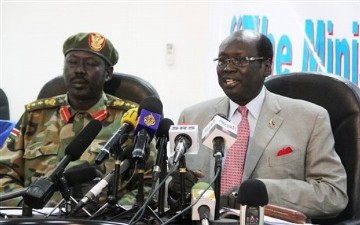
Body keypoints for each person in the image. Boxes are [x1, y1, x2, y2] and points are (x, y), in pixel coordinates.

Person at [170, 30, 348, 219]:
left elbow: (332, 194)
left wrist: (263, 191)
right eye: (222, 61)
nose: (228, 68)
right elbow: (164, 191)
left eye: (240, 60)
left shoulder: (310, 119)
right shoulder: (192, 117)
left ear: (267, 67)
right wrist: (174, 189)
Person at [0, 32, 156, 208]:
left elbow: (151, 182)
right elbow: (4, 173)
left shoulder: (131, 120)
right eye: (72, 62)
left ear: (108, 73)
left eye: (90, 64)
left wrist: (114, 210)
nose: (79, 70)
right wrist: (27, 205)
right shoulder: (36, 115)